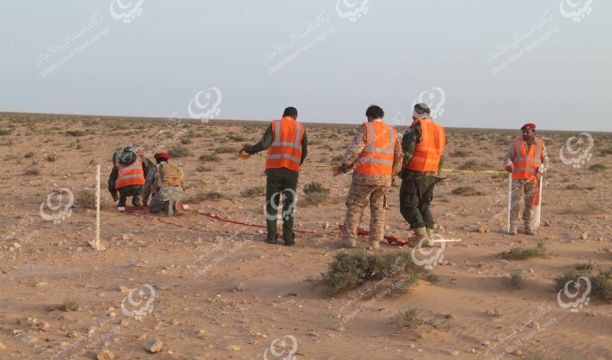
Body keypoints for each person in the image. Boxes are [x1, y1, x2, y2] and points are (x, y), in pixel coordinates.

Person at [336, 105, 402, 250]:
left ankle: (350, 239)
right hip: (384, 178)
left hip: (365, 175)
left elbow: (355, 149)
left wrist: (344, 165)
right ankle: (375, 242)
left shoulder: (366, 128)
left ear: (368, 116)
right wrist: (392, 174)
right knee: (378, 209)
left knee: (355, 205)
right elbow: (399, 156)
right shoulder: (392, 132)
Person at [241, 107, 308, 246]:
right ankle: (288, 239)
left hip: (274, 170)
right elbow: (305, 150)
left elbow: (265, 144)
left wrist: (251, 149)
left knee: (272, 203)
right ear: (295, 116)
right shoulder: (301, 127)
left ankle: (271, 237)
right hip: (292, 171)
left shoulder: (275, 124)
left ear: (283, 115)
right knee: (288, 204)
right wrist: (297, 164)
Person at [399, 103, 446, 247]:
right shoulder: (439, 130)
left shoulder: (415, 129)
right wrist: (438, 173)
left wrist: (397, 170)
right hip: (432, 174)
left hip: (415, 174)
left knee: (408, 205)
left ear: (415, 114)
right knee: (423, 205)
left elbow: (407, 154)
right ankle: (429, 237)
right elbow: (441, 155)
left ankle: (421, 236)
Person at [503, 123, 550, 235]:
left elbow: (546, 159)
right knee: (516, 204)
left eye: (527, 132)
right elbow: (507, 157)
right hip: (517, 178)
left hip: (533, 180)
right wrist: (508, 164)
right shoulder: (516, 143)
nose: (525, 134)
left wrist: (543, 168)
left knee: (529, 204)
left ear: (533, 132)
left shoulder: (540, 144)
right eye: (523, 132)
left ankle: (528, 227)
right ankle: (513, 227)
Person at [108, 145, 148, 211]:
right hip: (138, 188)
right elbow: (148, 170)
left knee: (122, 186)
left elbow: (111, 181)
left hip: (123, 190)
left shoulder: (118, 163)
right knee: (141, 181)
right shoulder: (140, 159)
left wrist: (114, 195)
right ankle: (136, 201)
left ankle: (121, 204)